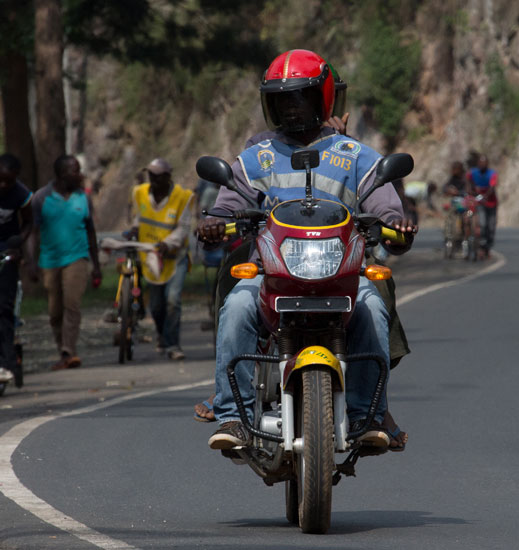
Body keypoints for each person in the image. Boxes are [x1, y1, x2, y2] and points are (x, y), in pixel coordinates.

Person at [197, 49, 416, 452]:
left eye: (299, 97)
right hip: (271, 275)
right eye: (281, 100)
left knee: (372, 306)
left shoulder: (355, 154)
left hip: (341, 274)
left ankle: (367, 415)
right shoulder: (255, 157)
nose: (290, 108)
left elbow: (382, 199)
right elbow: (230, 202)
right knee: (238, 307)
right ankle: (233, 415)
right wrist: (215, 221)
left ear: (322, 99)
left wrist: (393, 222)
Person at [30, 155, 102, 370]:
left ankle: (68, 351)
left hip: (77, 258)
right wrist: (31, 263)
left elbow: (90, 232)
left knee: (72, 304)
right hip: (50, 260)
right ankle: (62, 348)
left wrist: (96, 265)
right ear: (62, 174)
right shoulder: (41, 198)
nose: (80, 175)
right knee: (55, 311)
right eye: (75, 171)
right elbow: (33, 233)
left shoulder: (83, 198)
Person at [127, 158, 193, 360]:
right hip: (151, 259)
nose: (153, 180)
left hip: (175, 258)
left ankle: (173, 344)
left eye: (157, 176)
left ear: (167, 177)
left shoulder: (182, 197)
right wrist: (133, 230)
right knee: (156, 305)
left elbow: (184, 228)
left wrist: (168, 243)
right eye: (151, 176)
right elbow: (139, 218)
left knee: (173, 300)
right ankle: (162, 335)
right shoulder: (140, 193)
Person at [0, 154, 32, 388]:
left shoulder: (21, 195)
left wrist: (19, 242)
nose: (3, 185)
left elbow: (28, 222)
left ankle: (7, 363)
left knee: (4, 308)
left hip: (6, 253)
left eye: (8, 181)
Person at [466, 155, 498, 259]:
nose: (482, 165)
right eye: (480, 162)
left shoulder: (492, 174)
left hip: (491, 203)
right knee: (483, 225)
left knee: (491, 227)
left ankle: (488, 248)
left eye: (484, 163)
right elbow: (467, 181)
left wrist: (485, 196)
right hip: (479, 203)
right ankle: (481, 247)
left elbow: (492, 187)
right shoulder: (472, 173)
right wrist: (471, 191)